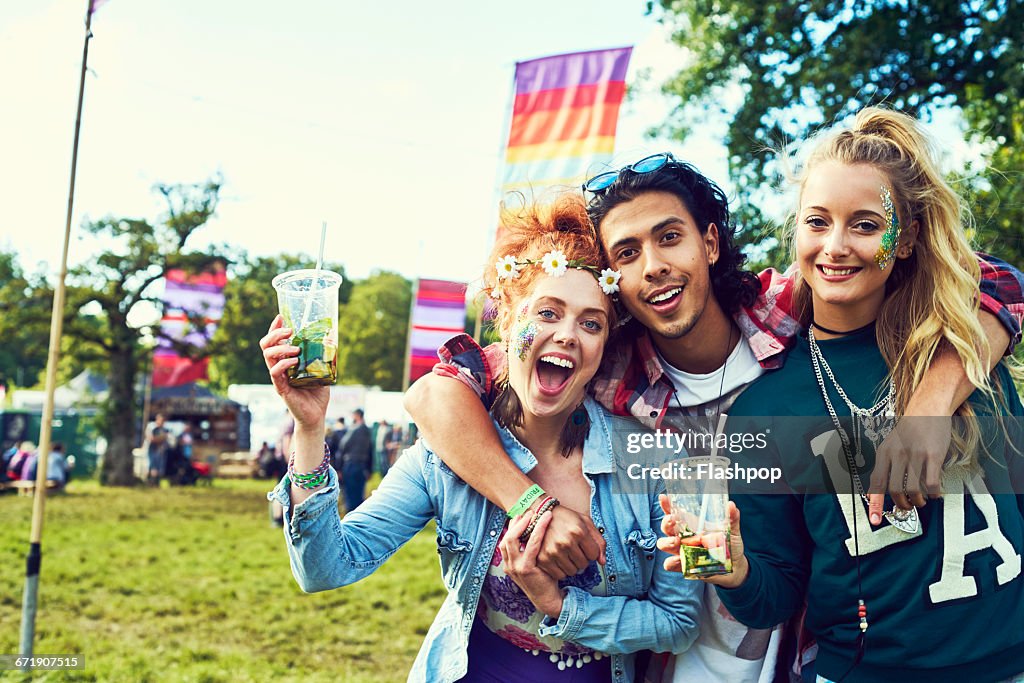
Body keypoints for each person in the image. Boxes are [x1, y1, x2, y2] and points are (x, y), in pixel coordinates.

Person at [403, 150, 1024, 681]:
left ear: (709, 241)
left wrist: (928, 408)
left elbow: (995, 284)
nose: (654, 266)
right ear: (614, 277)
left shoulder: (791, 309)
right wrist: (533, 504)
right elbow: (437, 393)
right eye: (627, 252)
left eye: (669, 237)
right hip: (667, 652)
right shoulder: (603, 363)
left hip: (801, 644)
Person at [260, 195, 702, 682]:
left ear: (604, 344)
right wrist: (309, 426)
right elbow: (325, 568)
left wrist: (559, 604)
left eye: (590, 323)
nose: (568, 335)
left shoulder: (655, 461)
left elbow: (678, 623)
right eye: (548, 313)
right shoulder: (444, 456)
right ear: (509, 322)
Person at [656, 107, 1024, 682]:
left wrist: (928, 407)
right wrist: (735, 572)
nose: (836, 245)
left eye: (866, 224)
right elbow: (776, 597)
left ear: (905, 242)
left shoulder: (970, 354)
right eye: (817, 222)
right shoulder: (766, 407)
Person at [336, 408, 372, 512]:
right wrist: (369, 469)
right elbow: (370, 451)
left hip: (350, 465)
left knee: (350, 495)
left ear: (357, 416)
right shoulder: (367, 430)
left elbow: (342, 446)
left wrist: (338, 467)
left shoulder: (353, 429)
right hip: (362, 466)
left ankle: (350, 520)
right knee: (359, 495)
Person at [145, 414, 170, 486]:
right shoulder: (152, 427)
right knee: (153, 467)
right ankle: (151, 483)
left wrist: (161, 438)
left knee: (159, 468)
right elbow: (152, 439)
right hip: (152, 449)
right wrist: (161, 438)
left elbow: (165, 438)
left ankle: (156, 483)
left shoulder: (164, 429)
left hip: (161, 451)